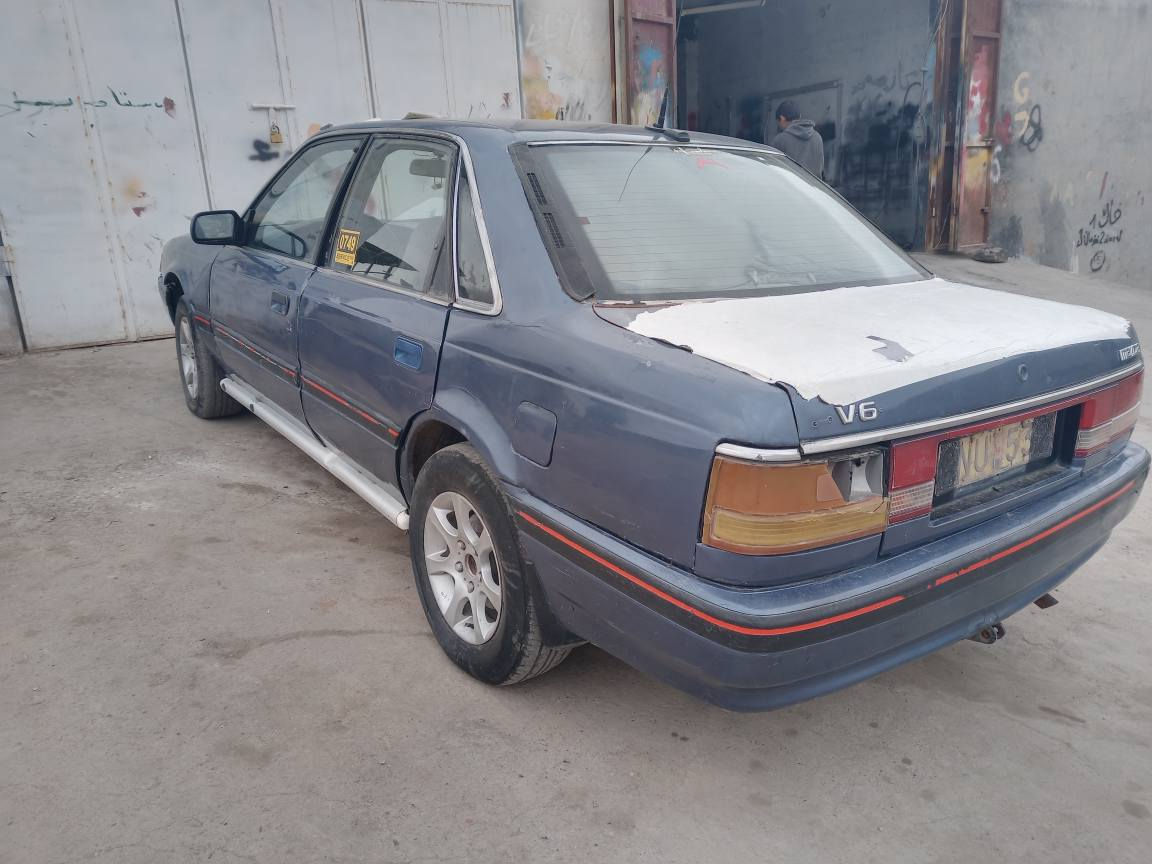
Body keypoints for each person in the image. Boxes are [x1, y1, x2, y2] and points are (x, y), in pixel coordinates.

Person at [770, 100, 825, 179]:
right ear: (800, 116)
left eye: (778, 122)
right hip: (812, 186)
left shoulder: (780, 140)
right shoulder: (817, 137)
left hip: (789, 186)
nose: (779, 126)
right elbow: (821, 168)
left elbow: (774, 171)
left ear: (782, 118)